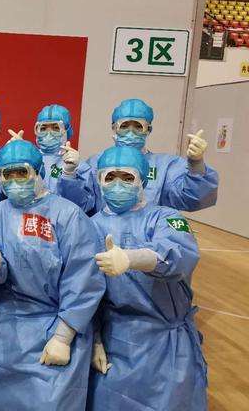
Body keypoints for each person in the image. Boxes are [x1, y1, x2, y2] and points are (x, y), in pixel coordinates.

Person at [0, 140, 105, 410]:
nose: (14, 180)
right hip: (7, 334)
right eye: (7, 174)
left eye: (21, 172)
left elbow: (84, 280)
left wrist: (63, 337)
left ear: (38, 172)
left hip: (57, 327)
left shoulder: (68, 215)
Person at [88, 145, 207, 410]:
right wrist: (94, 339)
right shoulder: (90, 226)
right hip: (115, 337)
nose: (118, 184)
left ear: (142, 180)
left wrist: (133, 259)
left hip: (165, 342)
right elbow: (84, 291)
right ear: (99, 181)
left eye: (127, 177)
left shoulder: (166, 218)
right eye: (110, 177)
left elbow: (181, 256)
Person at [60, 98, 218, 214]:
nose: (131, 131)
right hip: (104, 233)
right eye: (124, 126)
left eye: (138, 126)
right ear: (114, 128)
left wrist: (196, 164)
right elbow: (81, 203)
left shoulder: (165, 166)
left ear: (148, 130)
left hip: (149, 235)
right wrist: (69, 174)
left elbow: (193, 198)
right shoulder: (97, 163)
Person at [32, 104, 94, 212]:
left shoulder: (79, 166)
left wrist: (69, 175)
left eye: (56, 128)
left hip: (64, 220)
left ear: (67, 130)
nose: (48, 133)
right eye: (43, 128)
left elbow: (83, 206)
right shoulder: (29, 161)